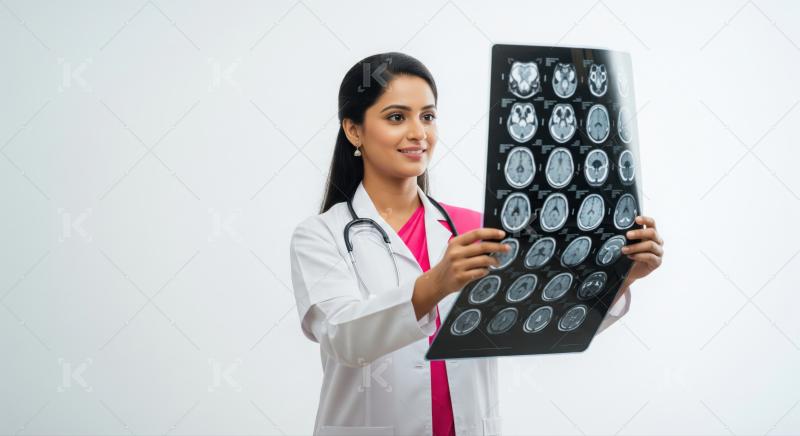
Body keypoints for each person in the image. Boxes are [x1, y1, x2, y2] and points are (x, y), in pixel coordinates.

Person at [289, 52, 664, 436]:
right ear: (354, 130)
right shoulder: (321, 236)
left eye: (428, 116)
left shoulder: (471, 227)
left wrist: (621, 277)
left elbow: (538, 322)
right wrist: (437, 284)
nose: (419, 132)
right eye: (397, 117)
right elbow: (344, 339)